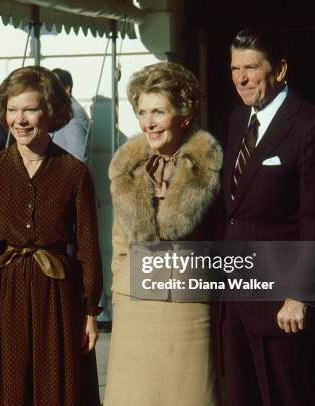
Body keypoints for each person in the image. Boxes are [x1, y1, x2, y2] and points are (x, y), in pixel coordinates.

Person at [0, 65, 103, 406]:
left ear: (51, 112)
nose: (20, 120)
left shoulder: (74, 172)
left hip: (58, 296)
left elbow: (88, 244)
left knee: (56, 387)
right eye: (12, 110)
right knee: (7, 388)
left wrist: (91, 311)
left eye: (30, 109)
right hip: (4, 297)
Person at [221, 26, 315, 406]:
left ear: (281, 70)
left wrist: (300, 295)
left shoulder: (309, 124)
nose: (241, 78)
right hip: (236, 300)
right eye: (235, 68)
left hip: (284, 307)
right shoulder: (238, 120)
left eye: (251, 67)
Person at [103, 62, 222, 405]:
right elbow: (120, 242)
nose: (148, 122)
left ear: (183, 113)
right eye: (142, 112)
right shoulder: (126, 167)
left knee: (191, 394)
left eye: (158, 111)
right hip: (135, 306)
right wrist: (120, 287)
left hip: (189, 308)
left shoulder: (210, 165)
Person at [50, 68, 90, 163]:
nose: (48, 91)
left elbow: (78, 159)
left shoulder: (73, 115)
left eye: (53, 87)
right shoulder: (60, 111)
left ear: (67, 89)